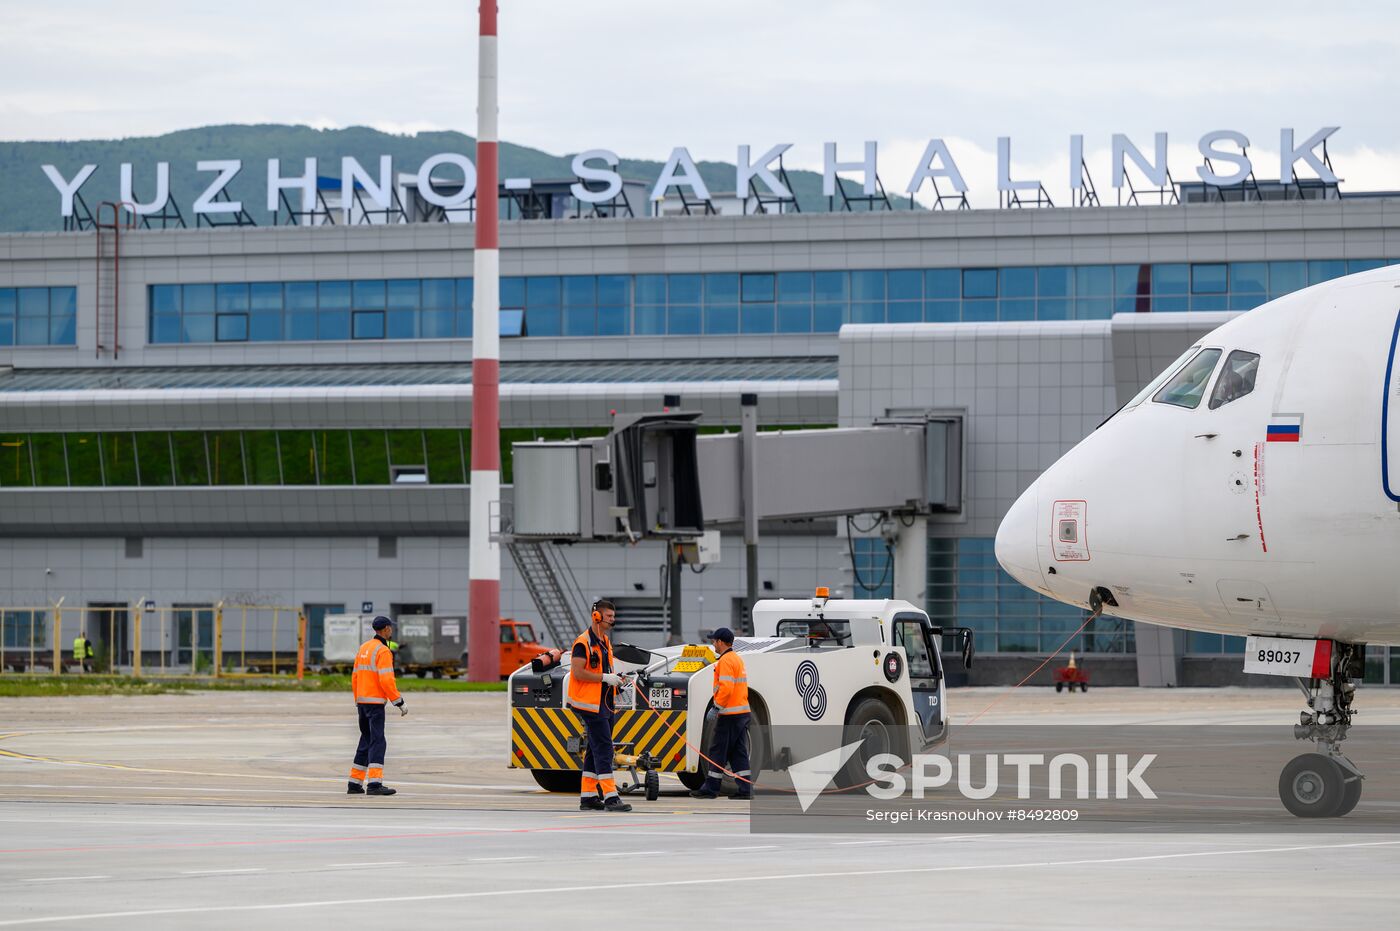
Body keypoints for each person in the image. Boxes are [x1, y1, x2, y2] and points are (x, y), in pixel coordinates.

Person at [567, 599, 632, 812]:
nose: (613, 620)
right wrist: (605, 677)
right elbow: (578, 672)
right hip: (589, 705)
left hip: (604, 703)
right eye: (610, 617)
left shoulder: (604, 641)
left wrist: (616, 681)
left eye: (614, 616)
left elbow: (604, 672)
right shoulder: (582, 642)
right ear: (597, 617)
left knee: (595, 751)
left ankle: (588, 797)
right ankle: (611, 797)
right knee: (604, 748)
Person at [689, 627, 751, 800]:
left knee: (717, 750)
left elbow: (726, 688)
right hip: (741, 712)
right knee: (738, 752)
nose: (712, 644)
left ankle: (711, 788)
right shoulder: (736, 659)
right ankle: (745, 789)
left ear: (721, 642)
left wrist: (716, 707)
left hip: (729, 714)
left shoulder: (725, 661)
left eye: (714, 641)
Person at [348, 616, 406, 796]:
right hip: (375, 704)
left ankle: (354, 783)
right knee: (378, 741)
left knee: (365, 740)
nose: (392, 631)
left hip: (362, 703)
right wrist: (399, 701)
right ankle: (374, 784)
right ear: (386, 629)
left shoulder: (364, 648)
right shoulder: (383, 651)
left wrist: (358, 699)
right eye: (391, 628)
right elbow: (386, 679)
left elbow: (355, 677)